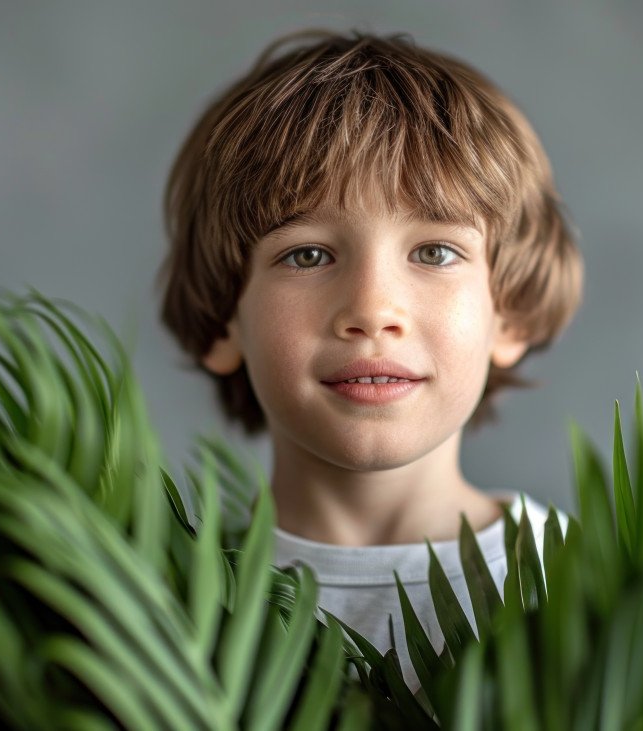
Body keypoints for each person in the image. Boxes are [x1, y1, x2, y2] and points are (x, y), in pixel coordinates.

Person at [156, 28, 582, 690]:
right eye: (308, 254)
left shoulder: (590, 583)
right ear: (222, 319)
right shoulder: (156, 607)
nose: (373, 307)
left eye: (435, 252)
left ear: (513, 311)